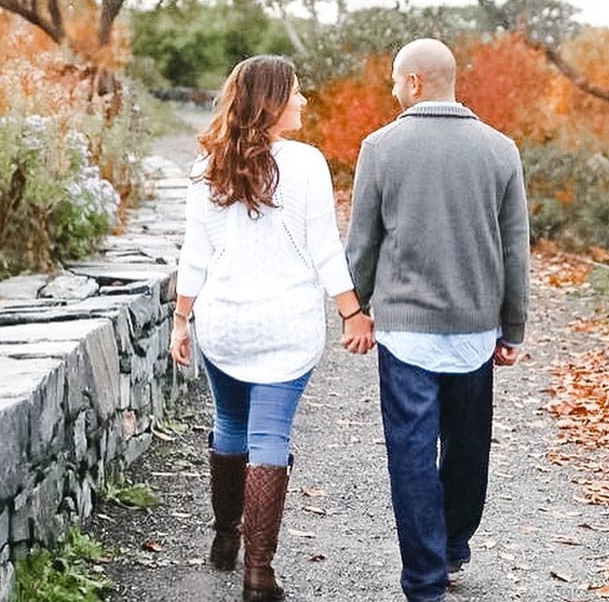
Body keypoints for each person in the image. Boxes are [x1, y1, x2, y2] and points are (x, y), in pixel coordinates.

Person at [170, 55, 374, 602]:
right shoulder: (305, 163)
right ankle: (258, 574)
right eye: (297, 93)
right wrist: (352, 312)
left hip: (225, 322)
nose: (304, 101)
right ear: (272, 101)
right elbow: (326, 249)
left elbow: (196, 255)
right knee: (268, 437)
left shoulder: (207, 165)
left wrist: (180, 319)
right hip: (286, 327)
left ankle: (222, 541)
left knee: (229, 422)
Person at [345, 38, 530, 602]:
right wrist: (512, 327)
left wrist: (356, 308)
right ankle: (451, 547)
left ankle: (425, 580)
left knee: (410, 452)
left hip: (403, 331)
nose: (392, 90)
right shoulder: (502, 150)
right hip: (475, 328)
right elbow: (515, 249)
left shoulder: (380, 147)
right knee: (468, 446)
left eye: (396, 80)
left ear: (416, 83)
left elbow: (363, 245)